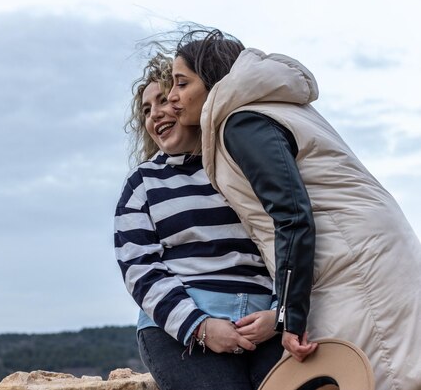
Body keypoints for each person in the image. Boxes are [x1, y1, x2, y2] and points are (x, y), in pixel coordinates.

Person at [165, 27, 421, 390]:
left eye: (181, 83)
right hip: (364, 255)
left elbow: (293, 214)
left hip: (354, 265)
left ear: (212, 82)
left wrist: (290, 317)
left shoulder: (241, 122)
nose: (172, 97)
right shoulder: (271, 108)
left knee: (385, 377)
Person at [113, 53, 283, 390]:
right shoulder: (142, 183)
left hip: (265, 326)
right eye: (146, 110)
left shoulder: (240, 164)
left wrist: (278, 316)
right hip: (182, 331)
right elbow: (139, 268)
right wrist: (200, 326)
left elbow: (284, 239)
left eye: (164, 100)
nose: (155, 113)